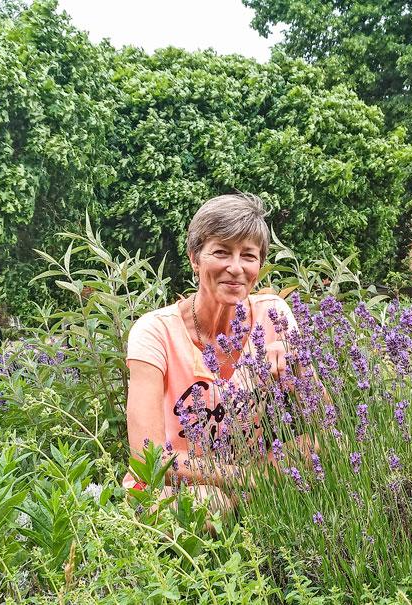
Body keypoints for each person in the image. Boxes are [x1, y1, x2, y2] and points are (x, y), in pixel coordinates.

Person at [124, 193, 297, 511]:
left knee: (329, 446)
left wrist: (300, 366)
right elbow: (146, 459)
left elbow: (323, 423)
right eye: (221, 252)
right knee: (209, 504)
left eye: (248, 255)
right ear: (194, 257)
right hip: (170, 484)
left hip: (249, 479)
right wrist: (246, 477)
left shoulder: (273, 314)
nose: (236, 268)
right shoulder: (154, 332)